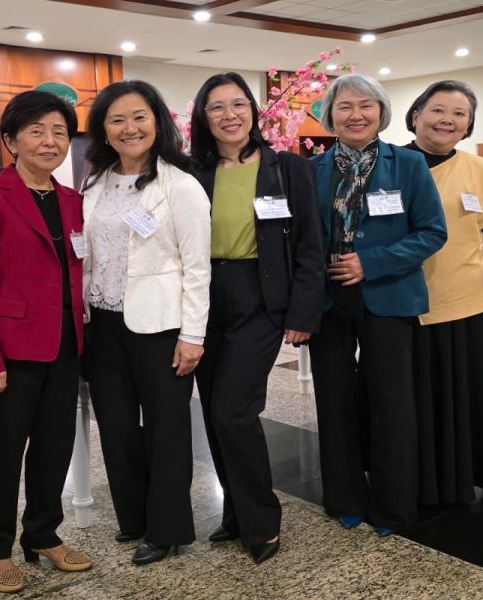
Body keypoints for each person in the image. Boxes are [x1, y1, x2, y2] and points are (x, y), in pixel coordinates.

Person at [0, 90, 93, 595]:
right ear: (11, 140)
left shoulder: (72, 200)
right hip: (10, 350)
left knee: (54, 446)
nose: (49, 141)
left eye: (59, 132)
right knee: (2, 452)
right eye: (36, 131)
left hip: (64, 343)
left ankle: (42, 533)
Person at [188, 72, 325, 564]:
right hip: (203, 297)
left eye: (238, 104)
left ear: (253, 111)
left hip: (260, 297)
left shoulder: (287, 168)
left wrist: (303, 311)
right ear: (203, 118)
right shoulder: (191, 173)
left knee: (233, 411)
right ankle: (236, 514)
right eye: (217, 107)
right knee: (213, 412)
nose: (229, 115)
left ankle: (262, 520)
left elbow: (310, 243)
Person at [308, 73, 447, 535]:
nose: (356, 115)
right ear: (330, 116)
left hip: (389, 294)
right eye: (344, 106)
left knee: (392, 403)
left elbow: (432, 232)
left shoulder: (408, 164)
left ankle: (393, 506)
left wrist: (370, 263)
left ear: (382, 112)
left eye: (366, 105)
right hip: (328, 300)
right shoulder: (311, 170)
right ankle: (344, 496)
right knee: (334, 400)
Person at [81, 80, 211, 566]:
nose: (129, 128)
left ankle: (168, 528)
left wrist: (192, 335)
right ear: (103, 130)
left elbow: (198, 267)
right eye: (117, 119)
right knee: (116, 426)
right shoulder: (95, 182)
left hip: (161, 327)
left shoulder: (181, 185)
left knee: (166, 429)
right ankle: (133, 517)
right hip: (102, 323)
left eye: (139, 117)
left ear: (157, 123)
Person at [402, 80, 483, 506]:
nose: (447, 120)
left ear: (468, 124)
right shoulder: (390, 164)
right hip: (406, 302)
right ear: (416, 115)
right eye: (437, 110)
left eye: (459, 114)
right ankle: (416, 475)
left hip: (467, 299)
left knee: (465, 392)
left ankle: (466, 471)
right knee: (416, 394)